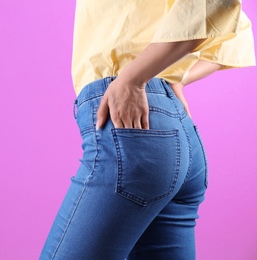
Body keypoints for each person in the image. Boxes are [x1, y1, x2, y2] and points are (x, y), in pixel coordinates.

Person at [40, 1, 255, 259]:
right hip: (171, 132)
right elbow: (235, 30)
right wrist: (170, 77)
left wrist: (134, 78)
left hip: (132, 133)